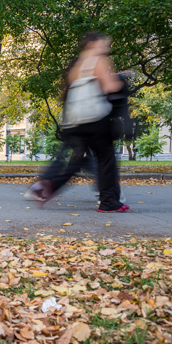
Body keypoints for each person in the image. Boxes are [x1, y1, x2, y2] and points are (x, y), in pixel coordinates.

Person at [26, 32, 129, 213]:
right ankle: (108, 202)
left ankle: (47, 186)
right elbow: (109, 87)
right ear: (91, 44)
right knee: (106, 159)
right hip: (96, 120)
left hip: (76, 122)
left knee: (76, 161)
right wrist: (122, 80)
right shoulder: (99, 61)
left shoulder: (75, 66)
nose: (106, 47)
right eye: (103, 44)